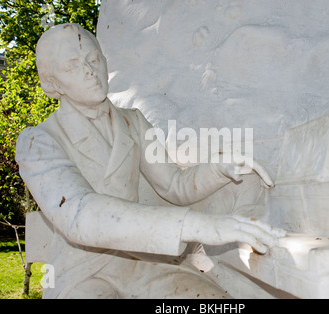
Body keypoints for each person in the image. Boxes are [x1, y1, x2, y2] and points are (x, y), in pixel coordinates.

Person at [16, 23, 283, 298]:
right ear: (51, 84)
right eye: (72, 66)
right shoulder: (38, 141)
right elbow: (79, 214)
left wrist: (219, 169)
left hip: (144, 261)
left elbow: (174, 186)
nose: (89, 71)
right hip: (82, 272)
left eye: (94, 59)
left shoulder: (133, 122)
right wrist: (199, 225)